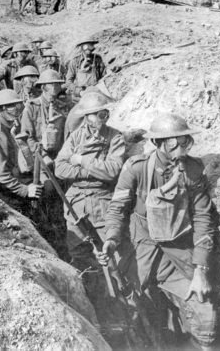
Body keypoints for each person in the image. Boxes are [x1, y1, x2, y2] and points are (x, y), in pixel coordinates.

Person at [97, 113, 220, 351]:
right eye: (174, 143)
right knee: (130, 310)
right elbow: (117, 208)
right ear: (158, 144)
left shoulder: (192, 170)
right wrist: (111, 238)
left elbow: (202, 218)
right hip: (140, 250)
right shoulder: (136, 169)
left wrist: (200, 270)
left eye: (185, 142)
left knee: (205, 315)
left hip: (177, 251)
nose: (181, 149)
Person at [54, 93, 125, 307]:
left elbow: (112, 171)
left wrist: (81, 160)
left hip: (103, 201)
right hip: (76, 202)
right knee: (80, 254)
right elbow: (60, 168)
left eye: (104, 113)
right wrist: (91, 170)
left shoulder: (115, 137)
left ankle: (123, 306)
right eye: (97, 114)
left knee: (113, 256)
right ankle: (94, 303)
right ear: (87, 117)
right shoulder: (75, 137)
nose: (103, 117)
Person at [21, 70, 71, 260]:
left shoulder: (61, 106)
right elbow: (27, 137)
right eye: (53, 85)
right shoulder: (31, 108)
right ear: (43, 87)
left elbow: (66, 135)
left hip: (59, 159)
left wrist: (61, 157)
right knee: (45, 195)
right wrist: (42, 156)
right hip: (39, 161)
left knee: (61, 198)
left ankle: (62, 234)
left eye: (58, 84)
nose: (57, 88)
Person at [0, 89, 42, 210]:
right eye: (10, 106)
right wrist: (25, 190)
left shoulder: (6, 126)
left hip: (12, 182)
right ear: (0, 109)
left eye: (17, 105)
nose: (16, 109)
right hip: (5, 193)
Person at [66, 38, 106, 103]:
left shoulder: (97, 59)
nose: (88, 49)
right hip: (81, 94)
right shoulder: (75, 61)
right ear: (81, 48)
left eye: (90, 46)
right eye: (85, 46)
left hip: (96, 92)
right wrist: (77, 90)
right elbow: (68, 81)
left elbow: (103, 75)